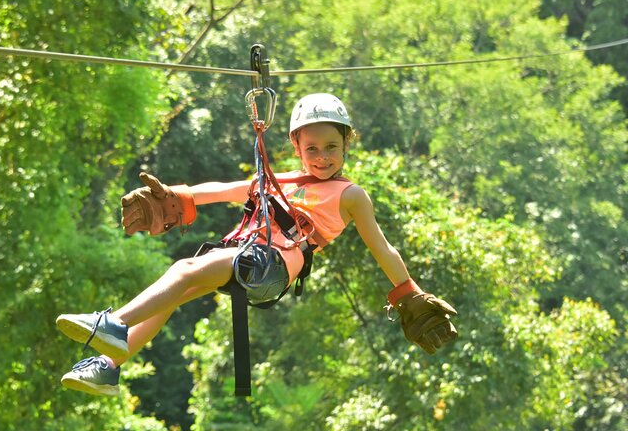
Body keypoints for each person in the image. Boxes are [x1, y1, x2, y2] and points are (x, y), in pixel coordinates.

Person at [56, 93, 458, 397]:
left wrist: (410, 292)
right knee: (175, 294)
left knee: (182, 270)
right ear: (297, 148)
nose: (321, 157)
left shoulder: (350, 194)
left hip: (272, 265)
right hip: (246, 256)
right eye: (311, 148)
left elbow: (383, 248)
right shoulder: (277, 179)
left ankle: (112, 323)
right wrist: (177, 196)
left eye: (331, 147)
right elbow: (223, 190)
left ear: (346, 144)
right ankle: (108, 365)